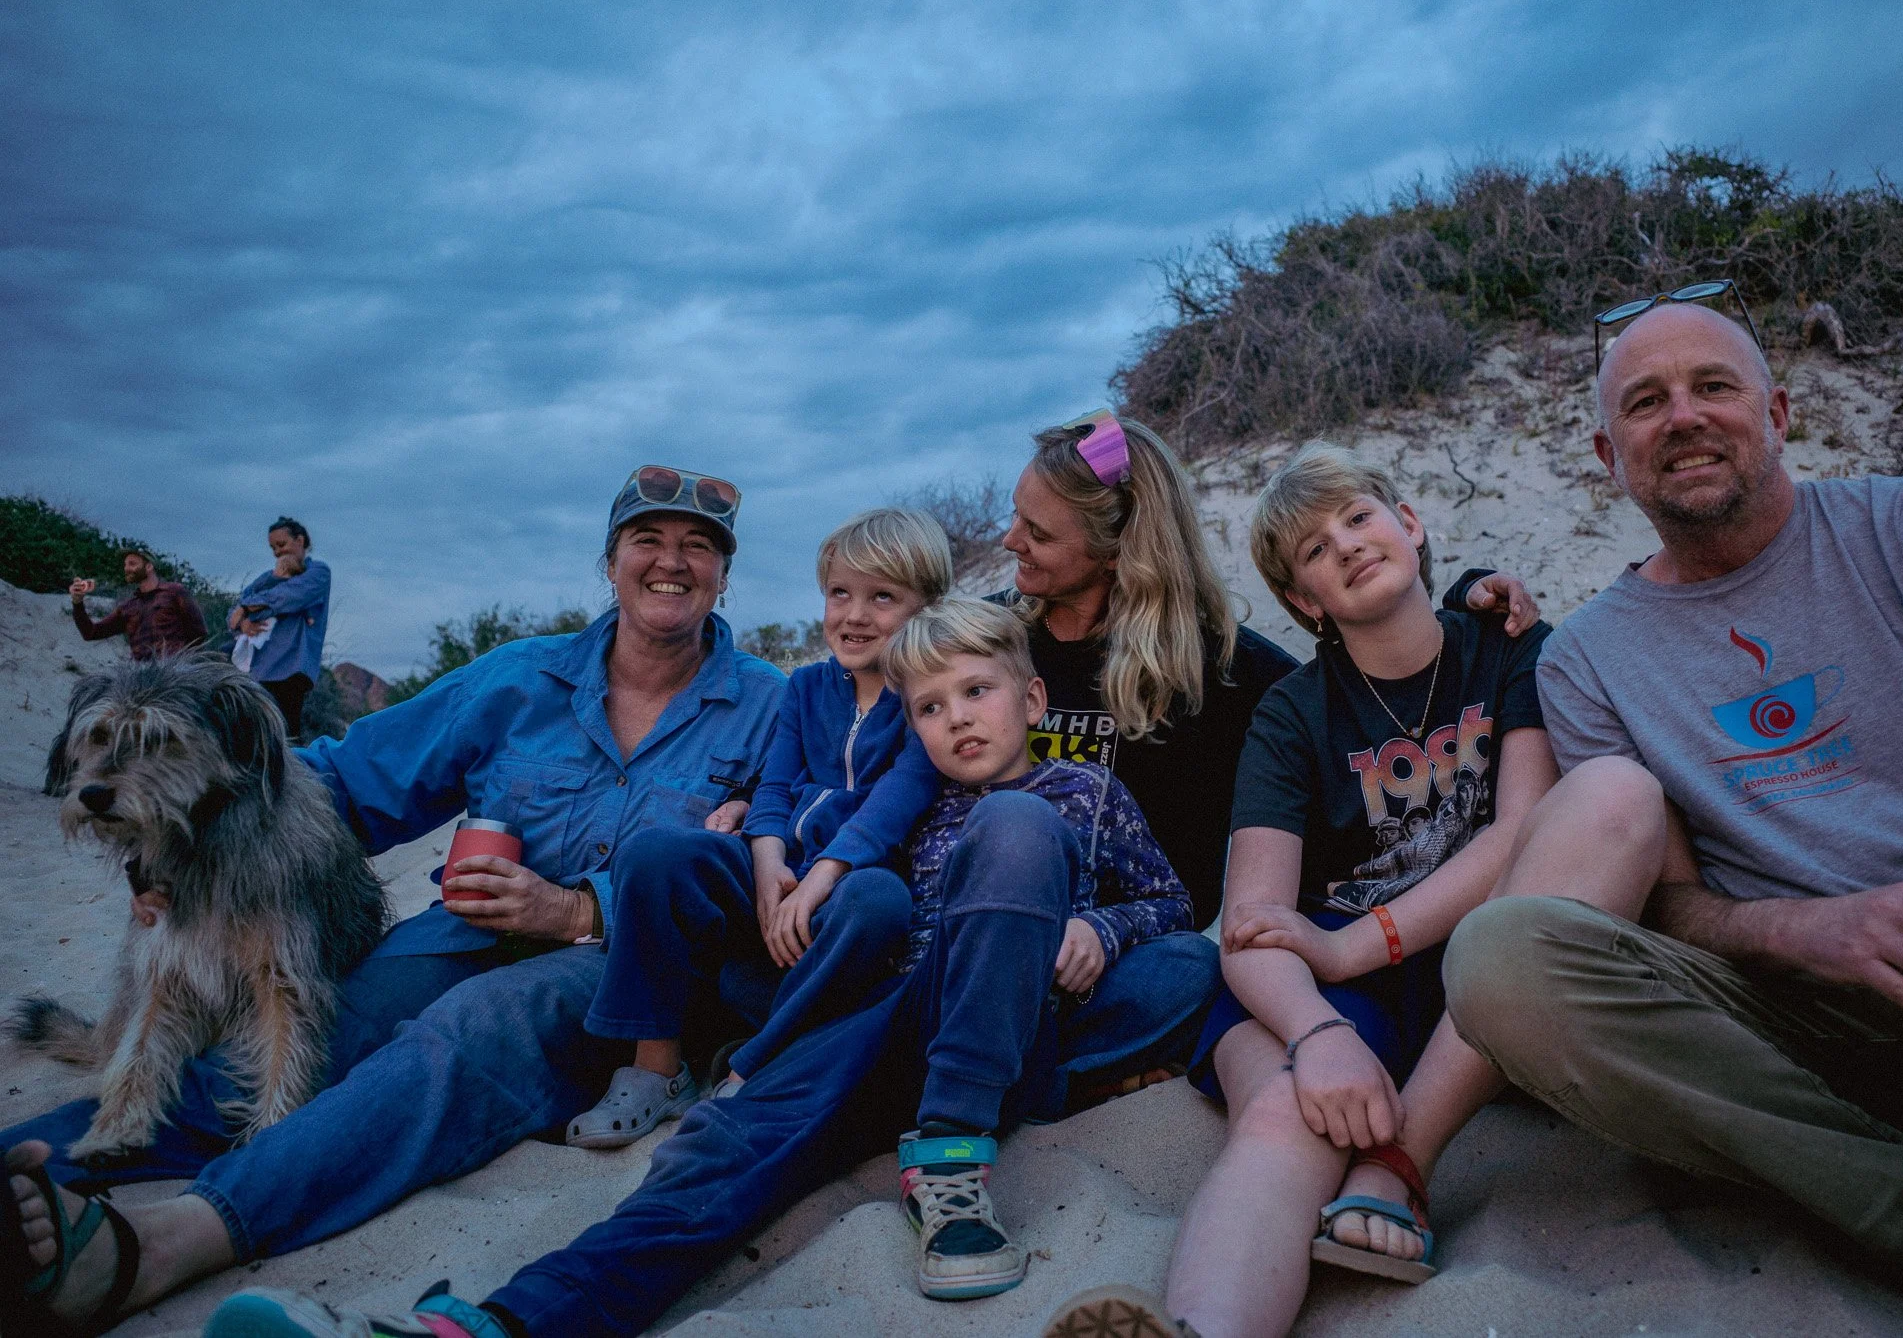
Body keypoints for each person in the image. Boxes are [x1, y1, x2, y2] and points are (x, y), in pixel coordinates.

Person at [198, 597, 1213, 1338]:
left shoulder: (1084, 794)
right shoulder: (906, 808)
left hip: (1017, 1034)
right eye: (931, 707)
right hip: (898, 1025)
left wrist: (1102, 928)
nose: (957, 719)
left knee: (1058, 862)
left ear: (1029, 696)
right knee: (724, 1162)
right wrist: (751, 826)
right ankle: (496, 1323)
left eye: (977, 693)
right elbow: (826, 861)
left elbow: (1171, 906)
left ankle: (952, 1161)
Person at [1, 464, 785, 1333]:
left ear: (723, 574)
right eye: (648, 540)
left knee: (455, 1040)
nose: (672, 561)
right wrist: (172, 847)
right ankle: (31, 1170)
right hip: (463, 932)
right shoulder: (519, 678)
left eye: (699, 546)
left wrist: (577, 908)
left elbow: (777, 864)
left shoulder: (769, 706)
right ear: (610, 561)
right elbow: (341, 781)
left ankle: (164, 1241)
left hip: (620, 974)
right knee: (318, 1036)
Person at [1433, 298, 1903, 1331]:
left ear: (1779, 411)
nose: (1683, 416)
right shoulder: (1587, 659)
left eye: (1712, 386)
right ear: (1607, 455)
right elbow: (1670, 906)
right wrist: (1811, 930)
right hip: (1800, 1038)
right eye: (1645, 402)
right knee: (1500, 957)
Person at [1044, 445, 1665, 1338]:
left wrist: (1351, 946)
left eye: (1359, 517)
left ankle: (1397, 1159)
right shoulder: (1292, 713)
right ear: (1304, 600)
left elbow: (1519, 835)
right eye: (1313, 549)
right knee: (1284, 1113)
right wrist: (1319, 1029)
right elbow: (1253, 926)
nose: (1345, 544)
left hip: (1470, 963)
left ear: (1409, 524)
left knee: (1609, 800)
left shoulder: (1508, 649)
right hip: (1328, 993)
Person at [1000, 408, 1536, 931]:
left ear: (1117, 550)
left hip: (1146, 939)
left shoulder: (1231, 673)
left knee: (1189, 971)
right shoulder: (988, 640)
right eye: (1016, 514)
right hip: (1004, 911)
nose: (1010, 540)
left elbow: (1373, 679)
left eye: (1039, 533)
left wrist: (1466, 605)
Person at [564, 506, 949, 1148]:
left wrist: (819, 879)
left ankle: (753, 1064)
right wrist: (768, 865)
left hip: (850, 888)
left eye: (883, 597)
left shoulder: (927, 697)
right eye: (840, 593)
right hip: (776, 873)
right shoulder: (807, 688)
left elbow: (896, 802)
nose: (854, 615)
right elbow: (773, 786)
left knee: (878, 899)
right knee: (657, 853)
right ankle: (655, 1068)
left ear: (926, 608)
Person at [228, 517, 331, 741]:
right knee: (256, 734)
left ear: (300, 541)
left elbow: (289, 597)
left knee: (286, 736)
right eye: (273, 548)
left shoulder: (318, 572)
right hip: (259, 668)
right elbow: (233, 614)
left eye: (282, 545)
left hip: (292, 666)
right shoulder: (267, 578)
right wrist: (243, 621)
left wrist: (247, 608)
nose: (277, 552)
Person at [66, 548, 208, 660]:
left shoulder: (174, 592)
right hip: (141, 676)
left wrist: (182, 661)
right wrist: (77, 602)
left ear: (149, 567)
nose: (126, 568)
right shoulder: (128, 608)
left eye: (132, 564)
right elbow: (91, 633)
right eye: (125, 565)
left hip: (175, 672)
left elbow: (199, 632)